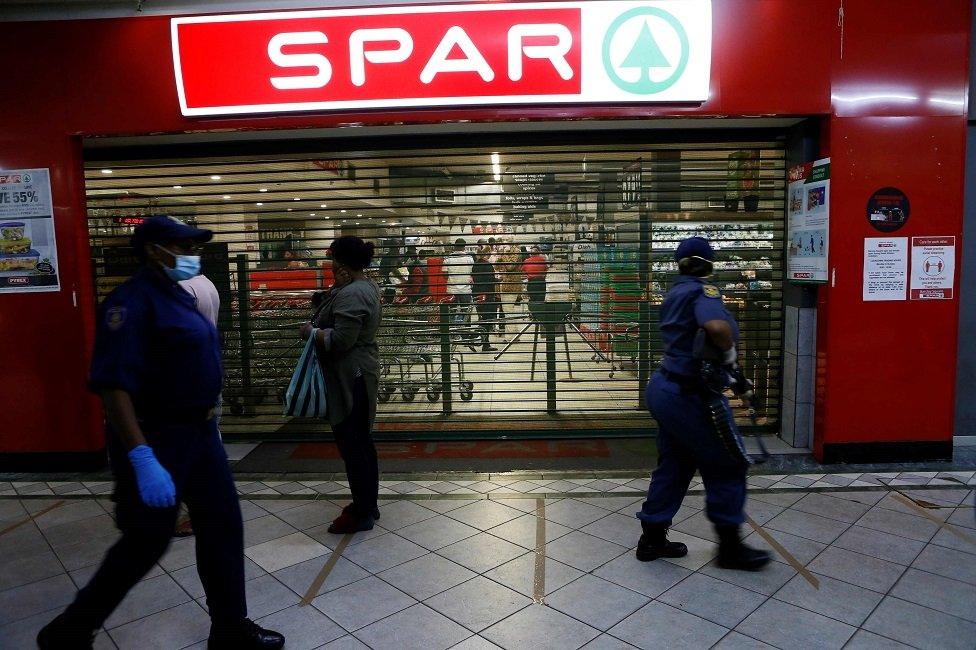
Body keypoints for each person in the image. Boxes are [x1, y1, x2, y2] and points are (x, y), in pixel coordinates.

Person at [38, 216, 284, 649]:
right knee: (146, 540)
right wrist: (141, 457)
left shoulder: (178, 296)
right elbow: (114, 387)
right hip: (160, 437)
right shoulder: (129, 303)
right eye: (184, 245)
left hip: (201, 434)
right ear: (154, 249)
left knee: (223, 527)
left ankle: (229, 629)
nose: (194, 253)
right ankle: (71, 628)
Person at [636, 237, 770, 571]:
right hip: (690, 395)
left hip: (665, 388)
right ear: (708, 263)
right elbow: (716, 328)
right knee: (728, 463)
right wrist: (728, 351)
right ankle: (729, 548)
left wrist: (732, 375)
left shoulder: (674, 292)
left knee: (676, 462)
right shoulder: (702, 292)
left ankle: (652, 538)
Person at [300, 236, 382, 533]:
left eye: (332, 257)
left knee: (353, 444)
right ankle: (368, 503)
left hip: (352, 377)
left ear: (342, 261)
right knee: (360, 442)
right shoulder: (362, 286)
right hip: (359, 372)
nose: (329, 262)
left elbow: (341, 340)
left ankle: (362, 511)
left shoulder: (353, 293)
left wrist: (312, 332)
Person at [471, 246, 499, 352]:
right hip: (487, 295)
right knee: (486, 320)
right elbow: (490, 279)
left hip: (477, 294)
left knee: (483, 319)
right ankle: (473, 339)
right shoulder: (487, 265)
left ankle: (485, 343)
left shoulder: (475, 265)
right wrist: (498, 280)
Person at [445, 238, 474, 323]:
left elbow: (444, 275)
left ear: (454, 247)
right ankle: (466, 332)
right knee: (466, 314)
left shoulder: (448, 258)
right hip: (465, 290)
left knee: (451, 313)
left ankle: (451, 332)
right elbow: (472, 272)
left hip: (452, 290)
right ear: (464, 247)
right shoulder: (469, 259)